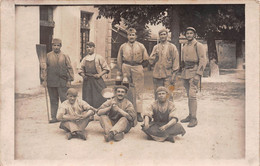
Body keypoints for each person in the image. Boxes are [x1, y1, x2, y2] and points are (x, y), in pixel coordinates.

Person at [117, 28, 149, 122]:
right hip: (126, 67)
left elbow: (146, 59)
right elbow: (119, 60)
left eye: (133, 35)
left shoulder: (141, 46)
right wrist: (120, 70)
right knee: (125, 89)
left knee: (138, 91)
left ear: (136, 36)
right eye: (129, 35)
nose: (131, 37)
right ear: (127, 36)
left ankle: (138, 113)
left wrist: (140, 68)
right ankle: (125, 110)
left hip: (137, 67)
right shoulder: (123, 46)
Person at [180, 27, 207, 127]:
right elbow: (183, 60)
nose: (189, 35)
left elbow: (203, 60)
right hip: (186, 72)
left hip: (194, 71)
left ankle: (194, 118)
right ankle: (190, 115)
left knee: (192, 95)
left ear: (194, 35)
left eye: (191, 33)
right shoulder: (184, 46)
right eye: (187, 33)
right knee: (188, 95)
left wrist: (198, 75)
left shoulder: (198, 45)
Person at [43, 38, 74, 123]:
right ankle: (54, 117)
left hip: (62, 81)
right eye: (54, 45)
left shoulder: (64, 55)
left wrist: (69, 80)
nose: (56, 47)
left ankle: (66, 117)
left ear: (60, 46)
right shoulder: (48, 56)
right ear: (52, 46)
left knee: (64, 100)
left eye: (58, 45)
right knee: (53, 100)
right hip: (51, 81)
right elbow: (44, 69)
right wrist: (44, 80)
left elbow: (69, 68)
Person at [149, 28, 179, 100]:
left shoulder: (172, 47)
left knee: (169, 94)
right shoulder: (156, 47)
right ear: (159, 36)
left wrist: (174, 75)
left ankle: (169, 110)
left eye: (164, 34)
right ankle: (158, 110)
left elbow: (176, 61)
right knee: (158, 94)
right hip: (157, 75)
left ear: (167, 35)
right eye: (161, 34)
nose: (163, 36)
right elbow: (151, 61)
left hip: (168, 75)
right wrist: (155, 57)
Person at [78, 42, 110, 109]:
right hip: (87, 81)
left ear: (94, 48)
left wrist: (99, 74)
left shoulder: (98, 57)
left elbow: (106, 69)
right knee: (88, 97)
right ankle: (90, 112)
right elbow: (80, 69)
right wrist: (83, 76)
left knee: (100, 96)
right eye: (87, 47)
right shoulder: (85, 59)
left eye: (90, 47)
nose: (89, 49)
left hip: (97, 80)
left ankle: (100, 111)